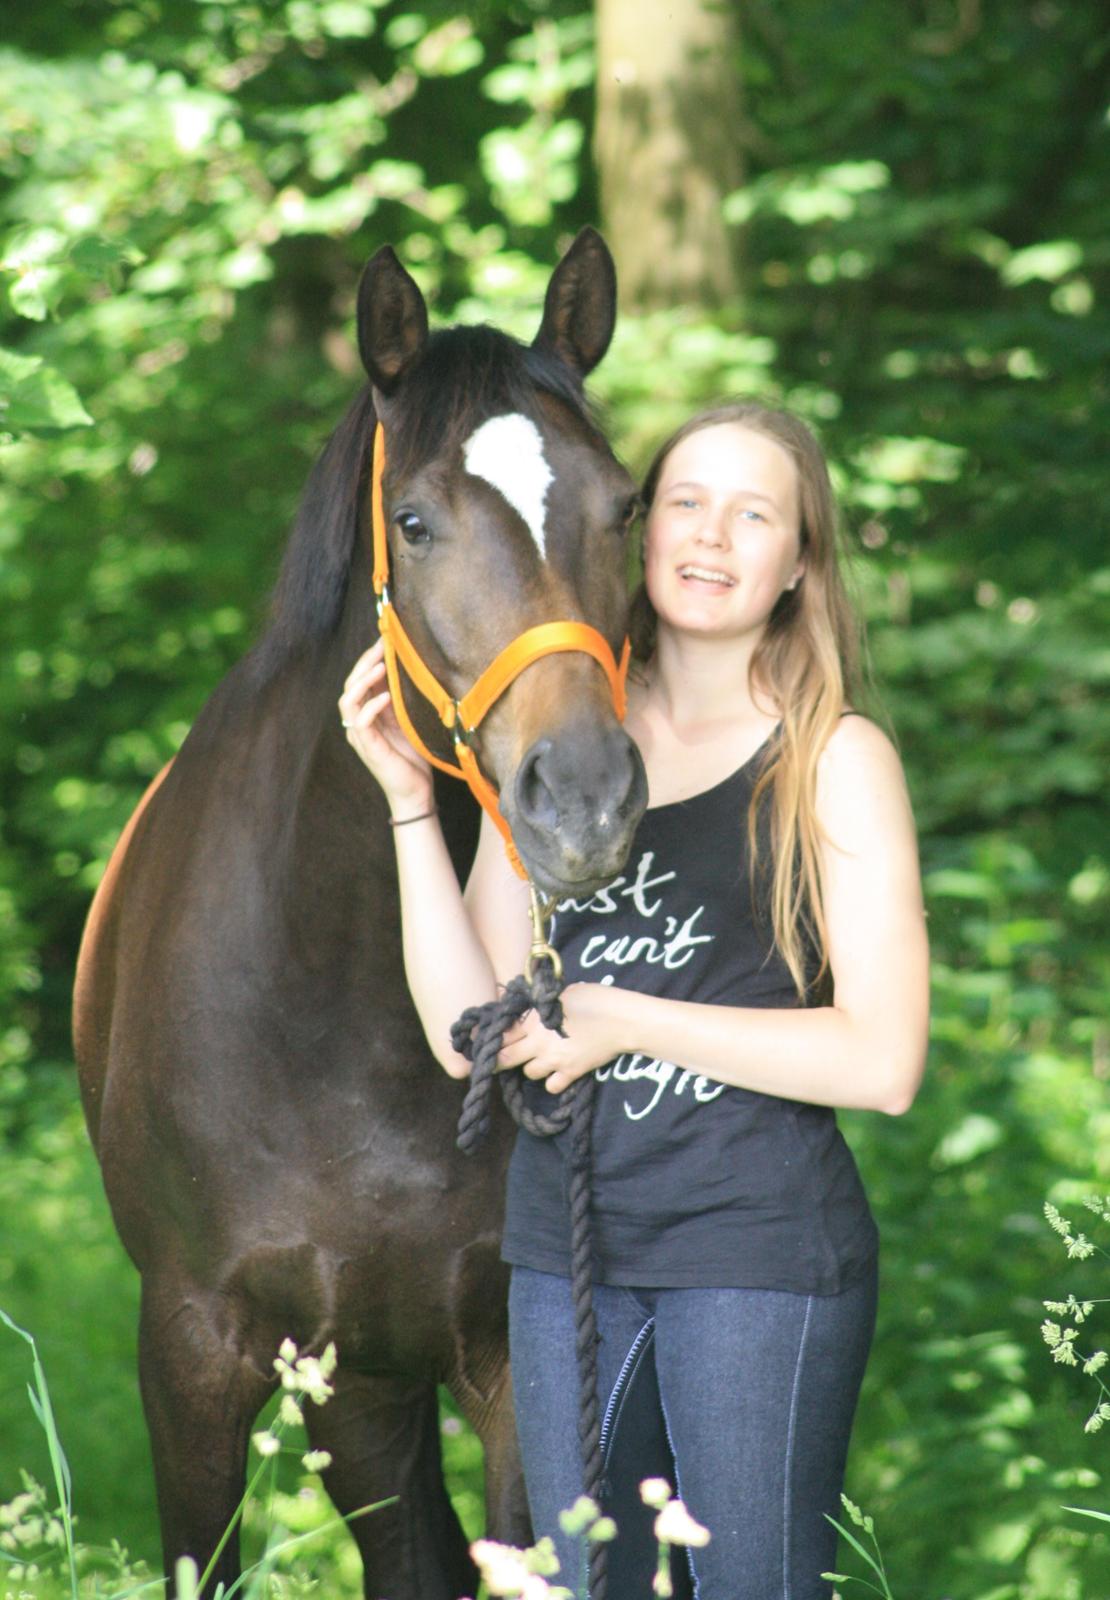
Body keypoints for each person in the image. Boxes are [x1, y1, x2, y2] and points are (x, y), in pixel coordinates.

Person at [338, 399, 929, 1599]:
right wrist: (409, 802)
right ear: (637, 529)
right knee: (586, 1587)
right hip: (569, 1261)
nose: (711, 535)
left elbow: (883, 1061)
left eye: (754, 515)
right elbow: (468, 1031)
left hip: (758, 1255)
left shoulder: (831, 756)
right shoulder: (563, 737)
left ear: (798, 562)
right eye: (687, 502)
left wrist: (621, 1020)